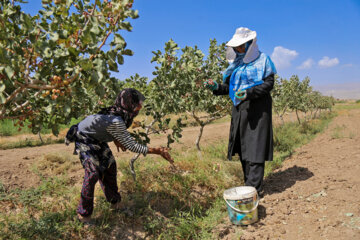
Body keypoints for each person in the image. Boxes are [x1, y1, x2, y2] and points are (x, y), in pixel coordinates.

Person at [65, 88, 173, 224]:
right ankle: (83, 215)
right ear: (128, 103)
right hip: (85, 137)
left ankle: (115, 202)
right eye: (137, 102)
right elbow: (132, 146)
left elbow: (109, 128)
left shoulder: (121, 114)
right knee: (92, 174)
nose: (140, 106)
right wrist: (157, 150)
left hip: (98, 138)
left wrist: (116, 138)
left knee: (110, 167)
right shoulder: (117, 120)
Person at [204, 27, 277, 196]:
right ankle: (249, 186)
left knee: (255, 149)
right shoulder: (235, 65)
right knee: (244, 148)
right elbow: (230, 89)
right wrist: (215, 87)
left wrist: (249, 93)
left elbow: (268, 84)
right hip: (240, 111)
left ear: (250, 44)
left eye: (241, 47)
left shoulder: (263, 60)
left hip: (258, 111)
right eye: (236, 48)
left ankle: (254, 191)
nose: (238, 50)